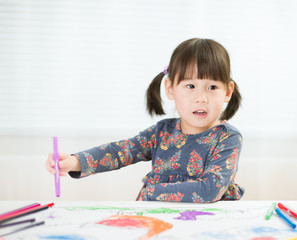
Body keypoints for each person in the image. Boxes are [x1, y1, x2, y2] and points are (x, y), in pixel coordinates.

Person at [46, 38, 244, 203]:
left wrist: (151, 192)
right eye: (190, 86)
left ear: (227, 91)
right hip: (160, 219)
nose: (201, 97)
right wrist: (75, 161)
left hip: (208, 223)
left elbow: (211, 188)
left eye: (212, 87)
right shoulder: (161, 132)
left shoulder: (228, 138)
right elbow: (119, 152)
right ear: (170, 89)